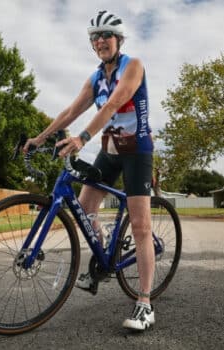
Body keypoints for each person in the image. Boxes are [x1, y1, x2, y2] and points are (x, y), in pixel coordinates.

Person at [23, 10, 155, 331]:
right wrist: (39, 138)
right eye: (95, 38)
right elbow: (71, 109)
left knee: (140, 226)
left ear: (118, 40)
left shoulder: (132, 66)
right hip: (110, 148)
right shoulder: (96, 78)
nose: (100, 41)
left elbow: (112, 105)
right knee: (84, 207)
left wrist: (82, 138)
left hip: (136, 150)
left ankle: (145, 303)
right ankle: (105, 255)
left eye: (106, 36)